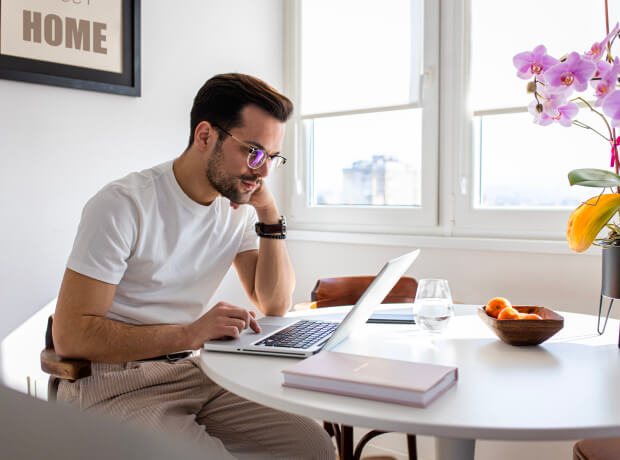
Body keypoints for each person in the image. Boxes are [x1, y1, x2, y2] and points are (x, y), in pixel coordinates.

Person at [52, 73, 336, 460]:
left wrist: (269, 214)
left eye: (271, 157)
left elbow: (274, 304)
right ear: (205, 136)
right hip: (113, 381)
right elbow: (72, 336)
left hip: (194, 372)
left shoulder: (236, 207)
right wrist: (191, 333)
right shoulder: (123, 205)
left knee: (314, 446)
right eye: (253, 151)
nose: (263, 171)